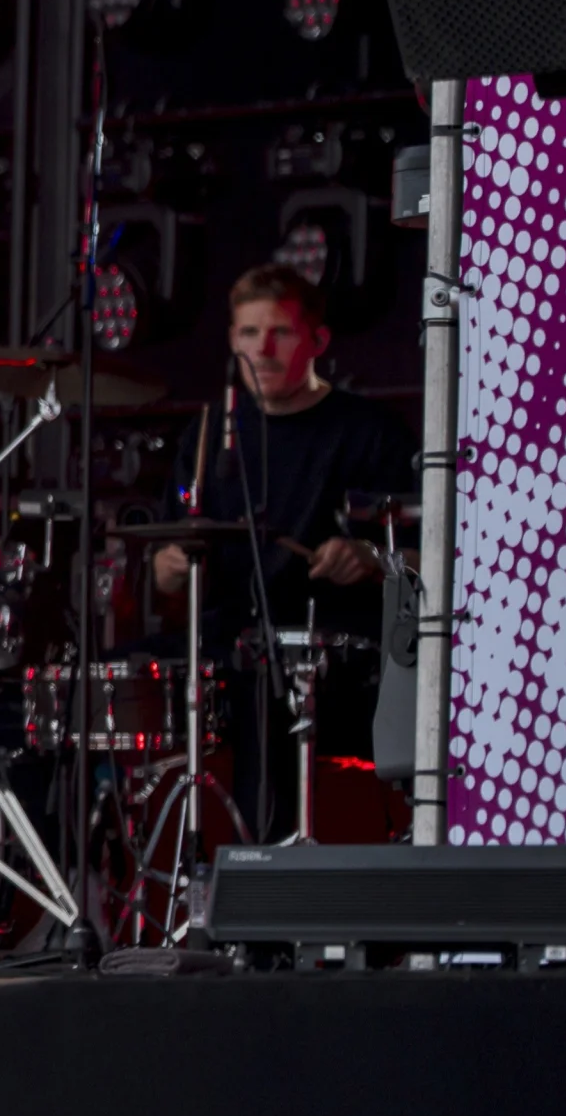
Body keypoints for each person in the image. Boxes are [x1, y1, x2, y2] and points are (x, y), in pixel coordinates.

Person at [151, 262, 411, 839]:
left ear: (318, 340)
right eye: (248, 334)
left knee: (262, 687)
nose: (262, 350)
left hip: (336, 655)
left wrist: (369, 557)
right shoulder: (208, 435)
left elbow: (429, 560)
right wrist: (169, 566)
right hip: (220, 645)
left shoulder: (370, 432)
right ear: (230, 339)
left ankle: (259, 884)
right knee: (78, 695)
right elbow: (166, 572)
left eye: (281, 333)